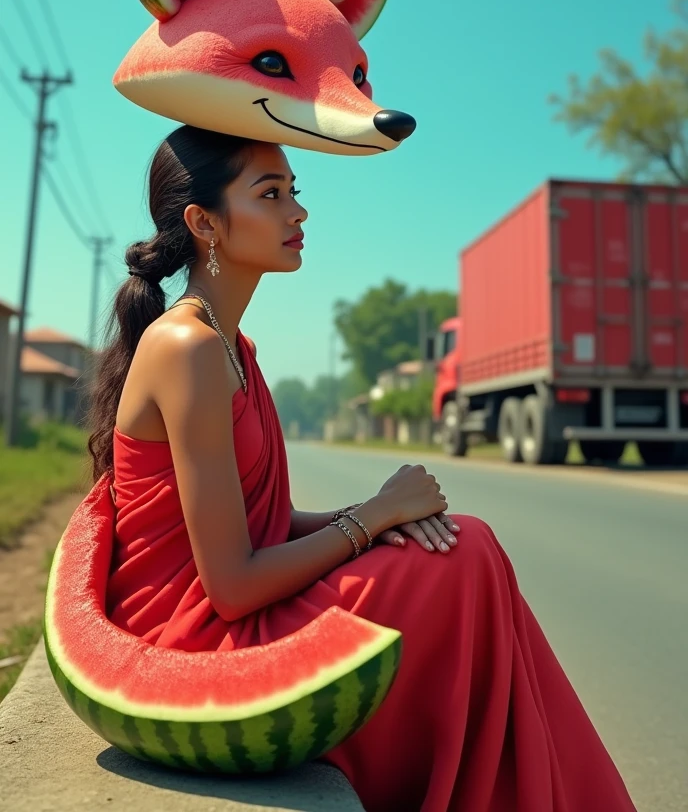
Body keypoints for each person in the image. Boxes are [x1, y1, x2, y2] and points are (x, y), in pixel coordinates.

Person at [88, 124, 638, 812]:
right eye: (271, 193)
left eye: (295, 191)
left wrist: (379, 521)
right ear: (205, 223)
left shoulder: (233, 347)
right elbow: (230, 584)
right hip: (191, 640)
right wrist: (373, 517)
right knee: (465, 561)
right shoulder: (186, 347)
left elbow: (265, 523)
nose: (298, 211)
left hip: (228, 611)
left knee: (467, 545)